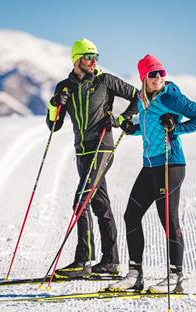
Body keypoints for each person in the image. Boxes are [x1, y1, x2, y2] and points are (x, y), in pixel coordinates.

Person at [108, 54, 196, 293]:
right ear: (143, 76)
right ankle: (135, 275)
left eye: (161, 73)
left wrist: (177, 127)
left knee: (168, 220)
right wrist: (131, 128)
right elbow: (149, 127)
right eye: (153, 74)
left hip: (171, 163)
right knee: (131, 215)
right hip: (150, 165)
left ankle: (176, 277)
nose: (158, 78)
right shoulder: (144, 99)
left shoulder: (170, 96)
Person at [47, 38, 139, 278]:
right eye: (89, 56)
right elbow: (53, 126)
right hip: (83, 152)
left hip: (102, 148)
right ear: (77, 59)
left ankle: (83, 261)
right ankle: (110, 261)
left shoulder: (105, 80)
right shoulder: (65, 86)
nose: (93, 60)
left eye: (95, 56)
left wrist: (121, 119)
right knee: (100, 204)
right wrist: (54, 104)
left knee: (81, 201)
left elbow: (139, 97)